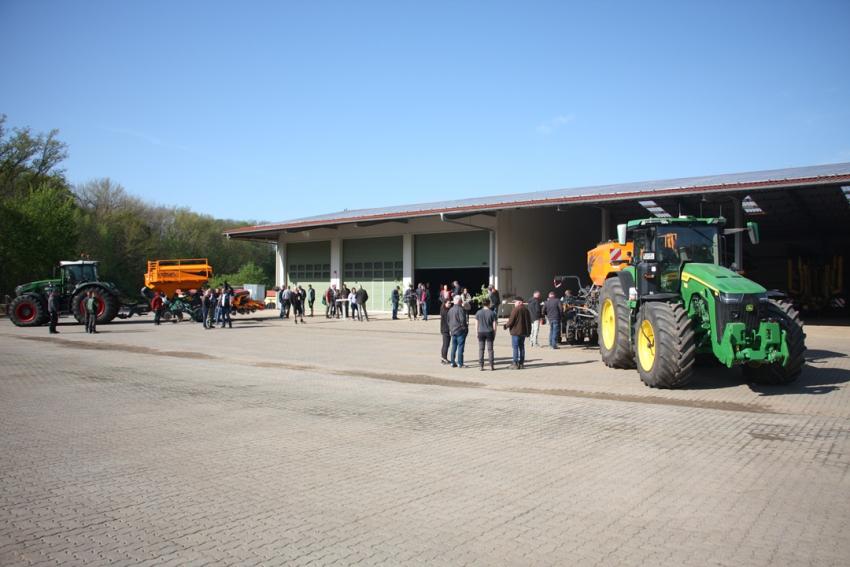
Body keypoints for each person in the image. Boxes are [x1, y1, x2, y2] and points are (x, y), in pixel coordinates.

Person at [504, 297, 531, 369]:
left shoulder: (515, 310)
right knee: (522, 347)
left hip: (516, 332)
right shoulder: (526, 310)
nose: (514, 304)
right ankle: (521, 363)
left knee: (515, 347)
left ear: (519, 302)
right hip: (524, 332)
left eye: (515, 302)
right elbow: (529, 322)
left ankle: (515, 363)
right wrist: (529, 332)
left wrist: (505, 326)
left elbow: (511, 321)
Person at [475, 298, 497, 371]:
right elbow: (494, 325)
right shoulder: (492, 313)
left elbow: (476, 324)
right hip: (489, 332)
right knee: (490, 349)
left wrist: (476, 332)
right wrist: (494, 333)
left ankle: (481, 365)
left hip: (481, 332)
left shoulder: (478, 312)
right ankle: (491, 365)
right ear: (489, 304)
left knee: (481, 349)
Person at [447, 296, 468, 368]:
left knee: (453, 347)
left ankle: (452, 362)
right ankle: (460, 363)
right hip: (460, 331)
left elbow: (448, 321)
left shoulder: (450, 310)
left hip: (453, 331)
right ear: (459, 301)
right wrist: (465, 329)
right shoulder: (460, 309)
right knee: (460, 347)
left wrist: (451, 329)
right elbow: (463, 320)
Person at [439, 298, 452, 364]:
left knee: (446, 344)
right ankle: (443, 359)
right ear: (445, 303)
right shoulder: (445, 311)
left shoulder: (444, 309)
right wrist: (450, 329)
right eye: (448, 303)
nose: (450, 304)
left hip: (444, 329)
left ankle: (444, 358)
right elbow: (448, 322)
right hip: (446, 329)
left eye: (450, 303)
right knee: (445, 344)